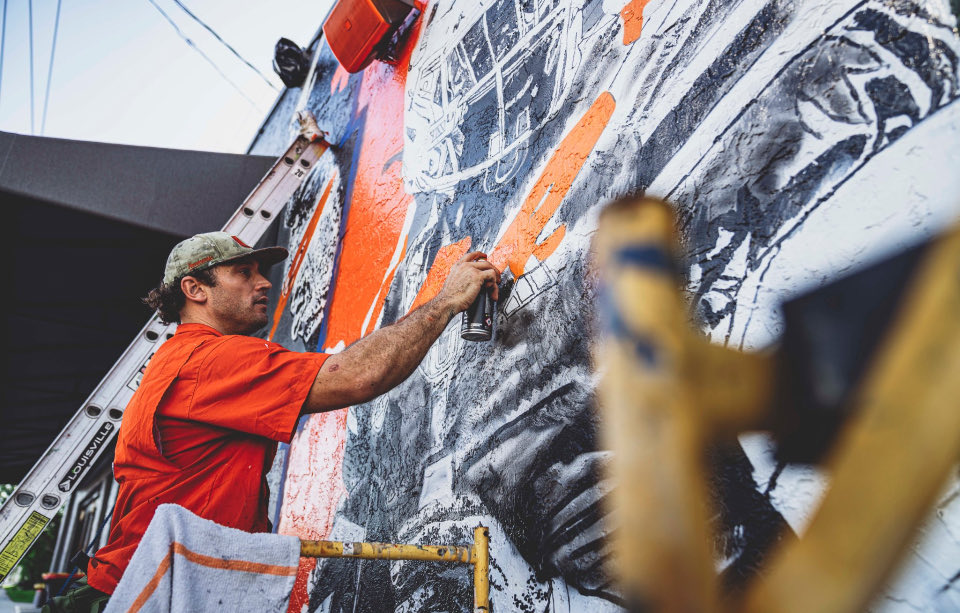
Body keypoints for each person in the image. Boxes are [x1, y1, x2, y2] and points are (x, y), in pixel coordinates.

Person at [43, 231, 499, 613]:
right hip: (156, 591)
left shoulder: (175, 359)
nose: (263, 284)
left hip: (135, 584)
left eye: (261, 272)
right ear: (194, 290)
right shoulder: (211, 360)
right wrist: (446, 303)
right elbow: (359, 375)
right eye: (243, 273)